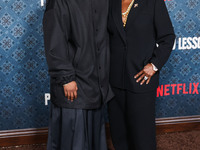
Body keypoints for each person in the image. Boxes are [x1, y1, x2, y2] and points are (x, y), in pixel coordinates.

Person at [43, 0, 114, 149]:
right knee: (74, 139)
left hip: (97, 82)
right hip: (74, 82)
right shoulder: (58, 2)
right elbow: (55, 43)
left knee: (95, 136)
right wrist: (66, 78)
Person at [108, 0, 175, 149]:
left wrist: (154, 64)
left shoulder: (152, 2)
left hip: (142, 79)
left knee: (142, 136)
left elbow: (168, 37)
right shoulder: (110, 2)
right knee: (119, 134)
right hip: (114, 81)